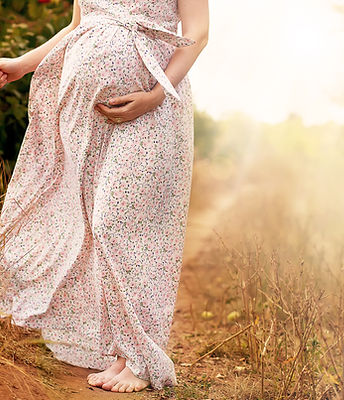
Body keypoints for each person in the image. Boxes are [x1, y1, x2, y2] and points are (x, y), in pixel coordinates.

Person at [0, 0, 209, 393]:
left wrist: (156, 95)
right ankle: (125, 354)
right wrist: (21, 64)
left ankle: (144, 359)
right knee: (90, 225)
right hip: (85, 115)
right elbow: (76, 27)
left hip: (152, 108)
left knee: (117, 223)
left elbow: (198, 34)